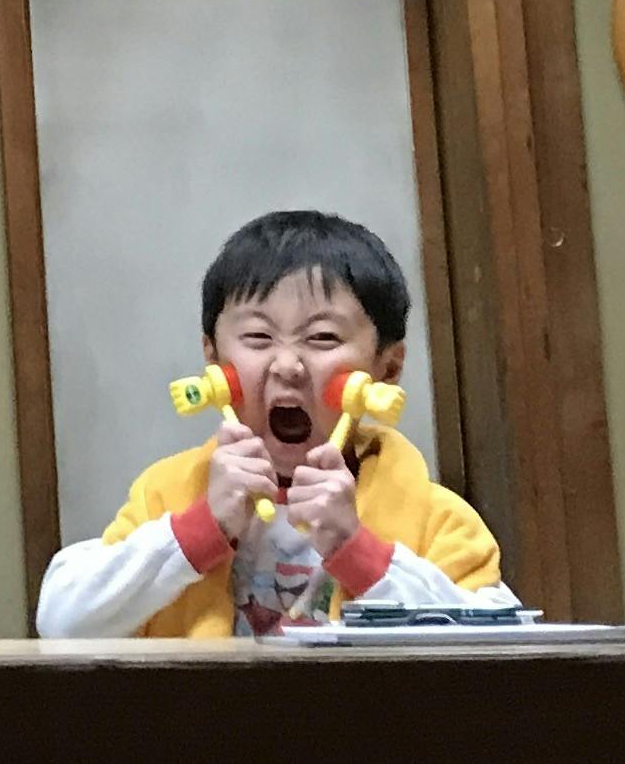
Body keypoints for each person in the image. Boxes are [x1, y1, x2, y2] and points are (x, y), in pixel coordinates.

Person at [35, 209, 512, 641]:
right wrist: (198, 530)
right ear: (212, 359)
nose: (287, 365)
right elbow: (61, 620)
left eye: (322, 337)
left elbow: (500, 648)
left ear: (387, 368)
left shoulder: (436, 518)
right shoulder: (167, 495)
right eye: (258, 337)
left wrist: (359, 552)